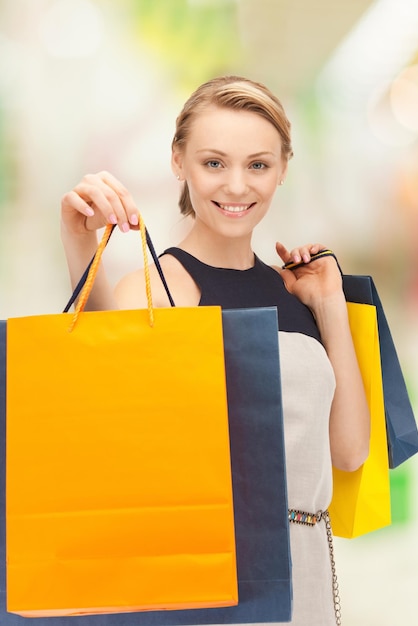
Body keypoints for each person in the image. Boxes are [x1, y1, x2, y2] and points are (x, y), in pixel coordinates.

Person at [60, 75, 370, 625]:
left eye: (258, 165)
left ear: (282, 169)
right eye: (213, 163)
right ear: (178, 162)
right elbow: (107, 420)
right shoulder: (161, 288)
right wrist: (80, 245)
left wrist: (329, 306)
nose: (235, 186)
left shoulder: (297, 290)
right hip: (209, 576)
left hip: (308, 571)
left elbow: (348, 453)